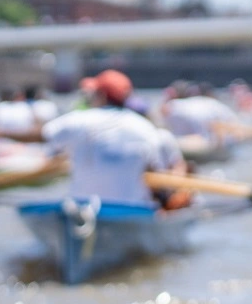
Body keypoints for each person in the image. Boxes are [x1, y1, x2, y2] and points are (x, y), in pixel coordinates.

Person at [43, 69, 191, 210]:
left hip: (82, 208)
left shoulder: (77, 120)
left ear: (101, 95)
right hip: (132, 209)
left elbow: (45, 134)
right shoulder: (145, 128)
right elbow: (157, 174)